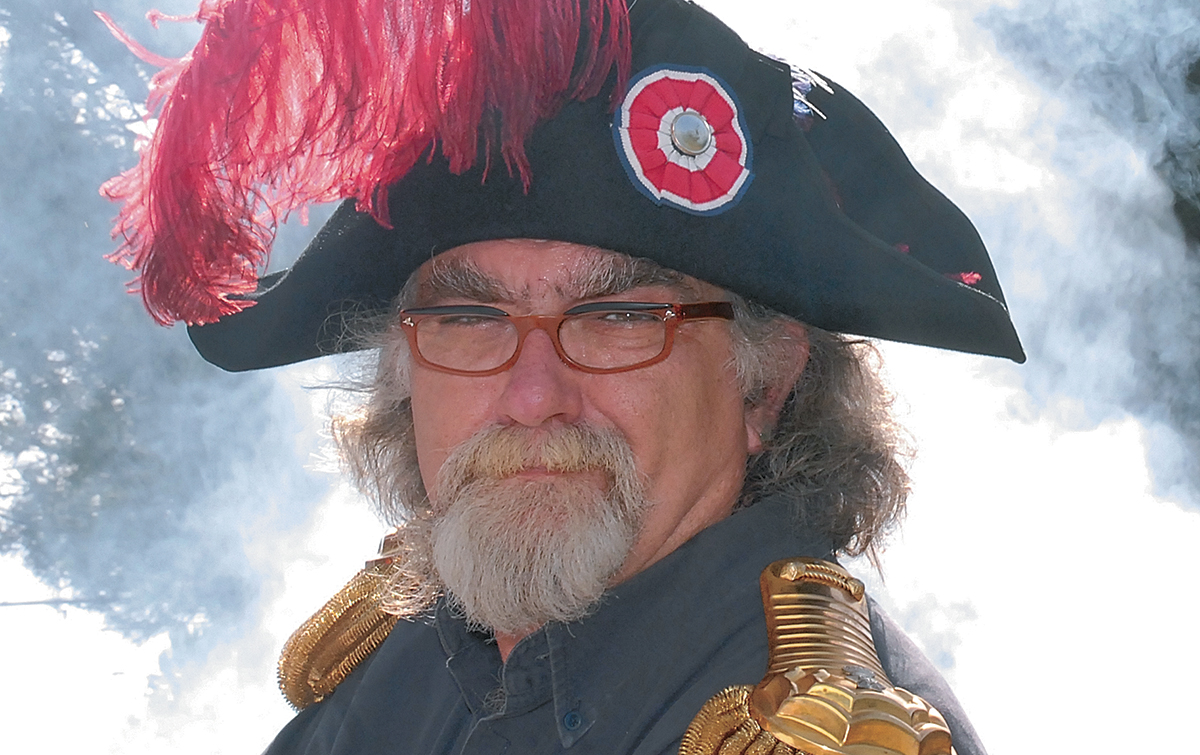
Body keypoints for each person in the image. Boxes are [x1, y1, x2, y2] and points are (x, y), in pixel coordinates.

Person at [102, 0, 1024, 753]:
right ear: (403, 373)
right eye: (470, 320)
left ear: (767, 379)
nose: (533, 394)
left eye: (617, 317)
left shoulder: (815, 734)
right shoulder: (401, 667)